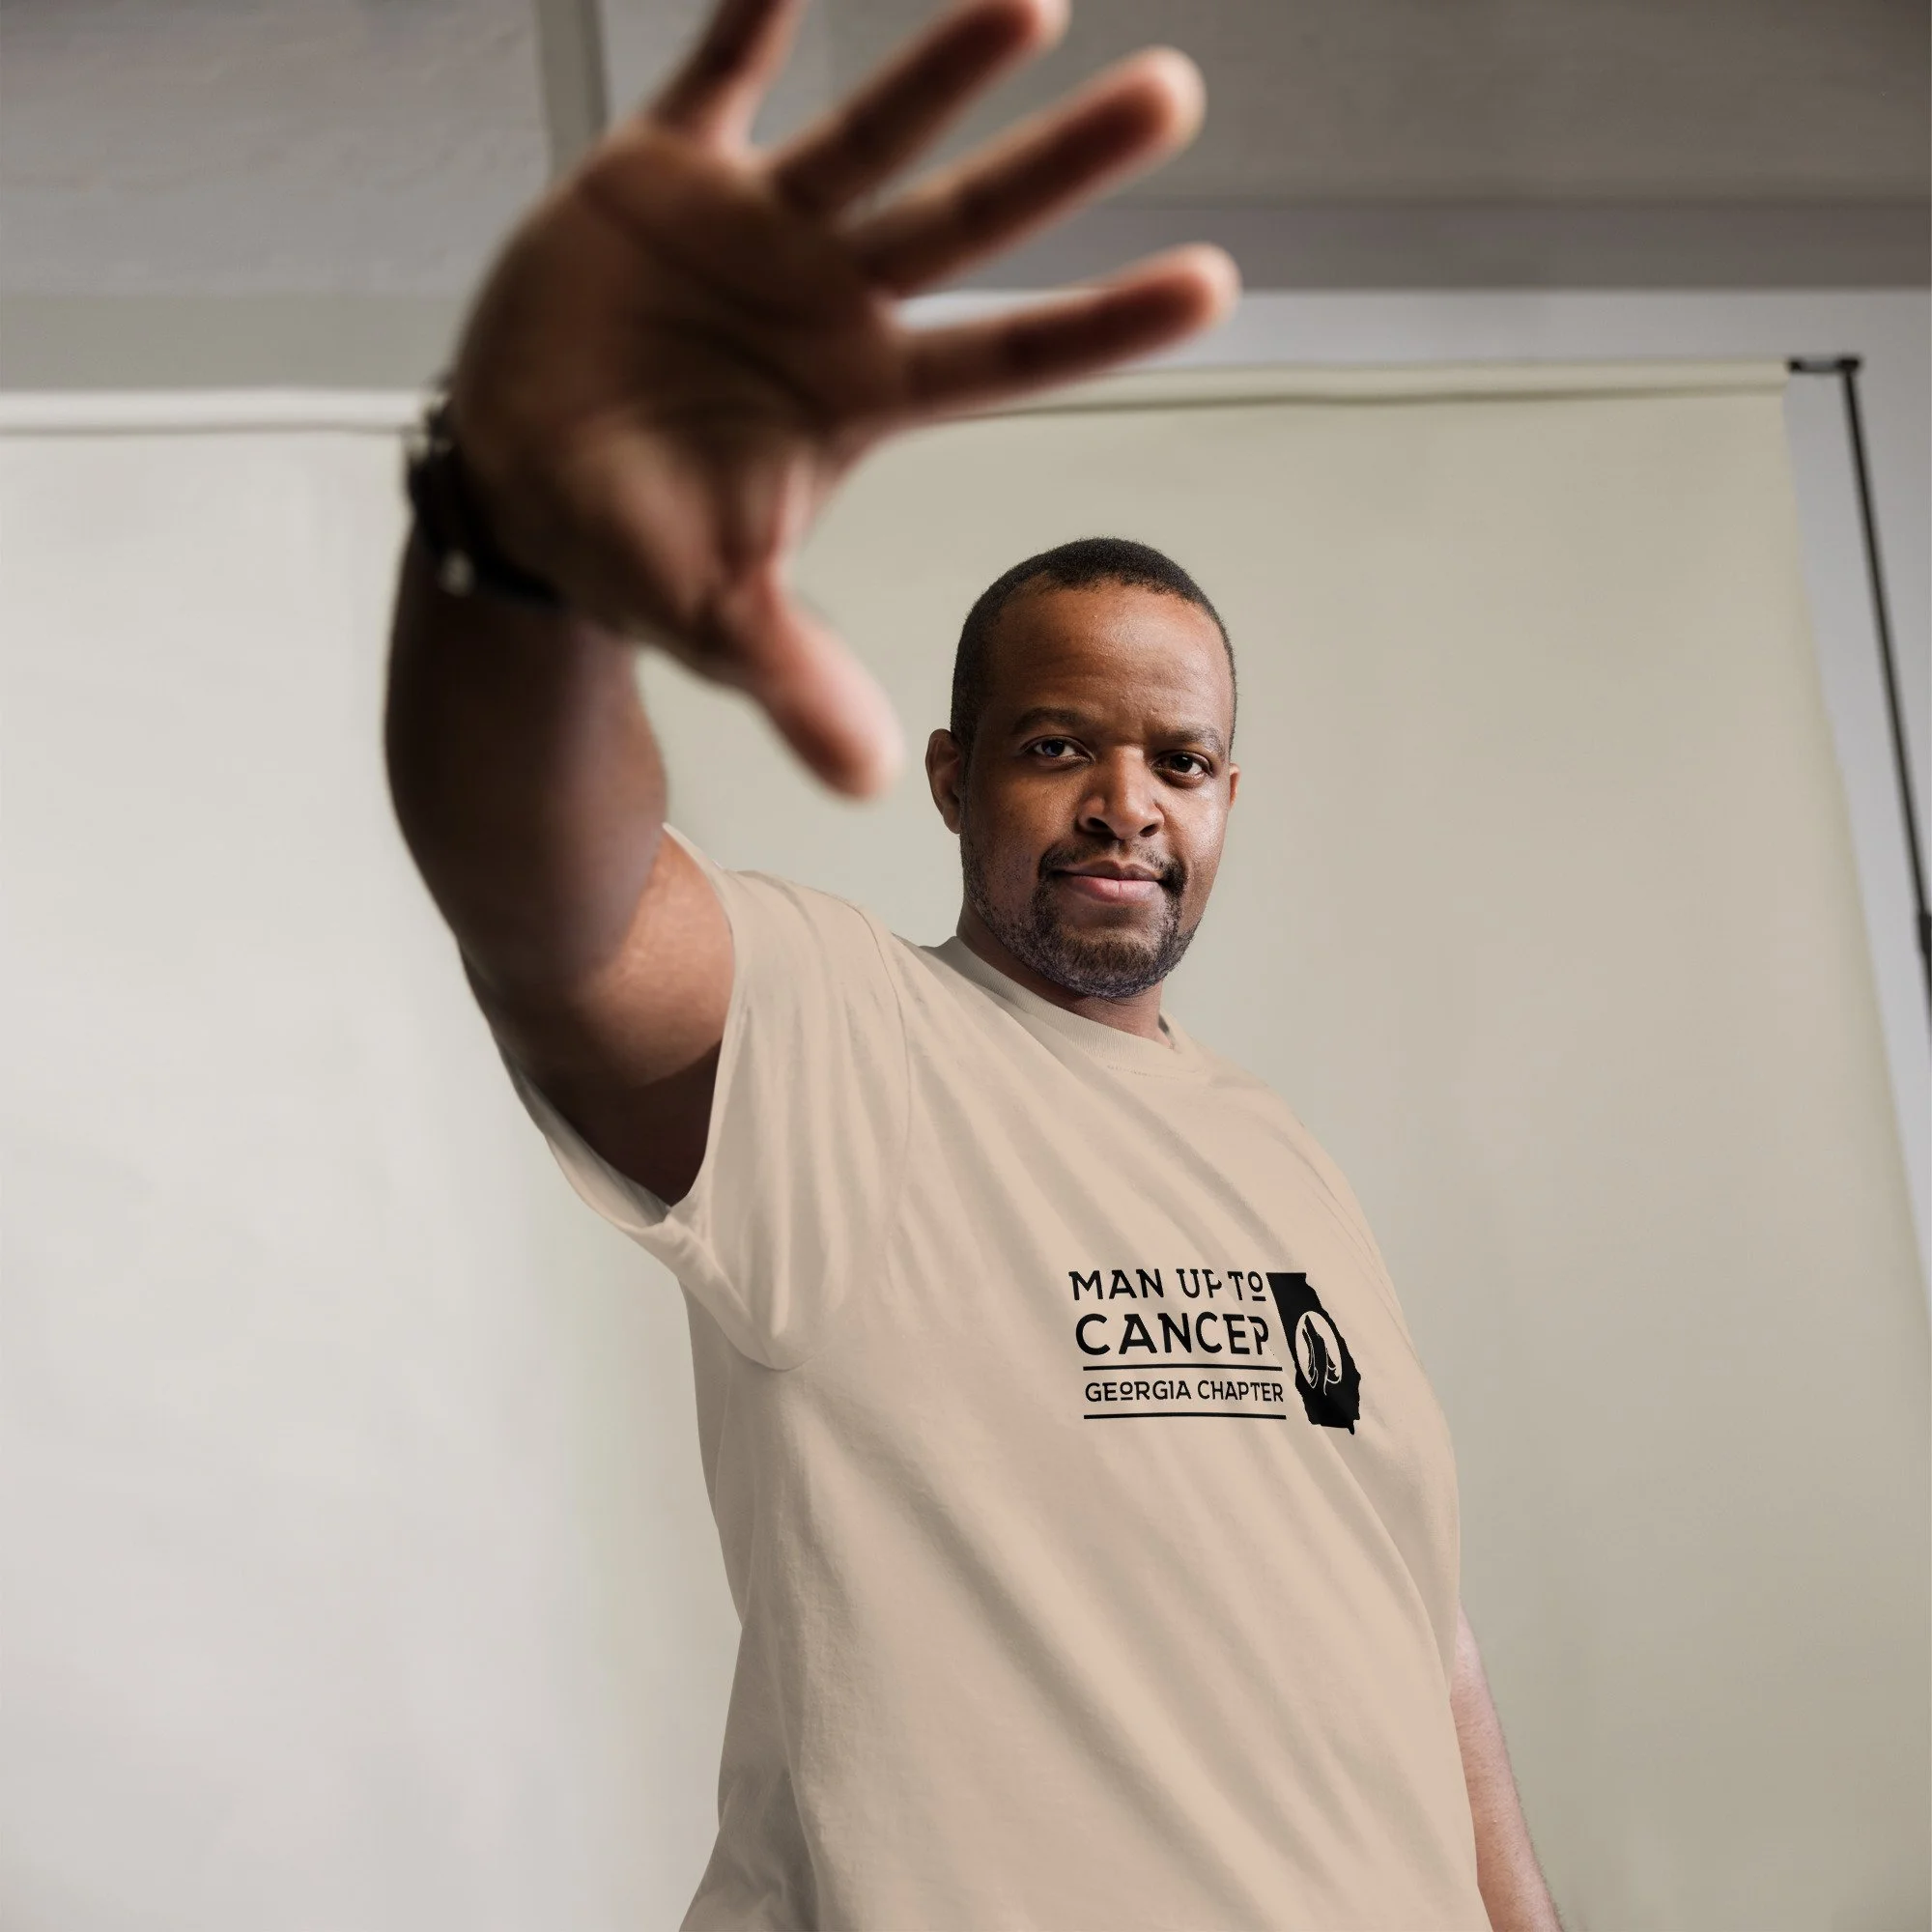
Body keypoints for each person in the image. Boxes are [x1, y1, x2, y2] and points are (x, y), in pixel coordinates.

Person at [384, 0, 1563, 1924]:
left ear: (1229, 797)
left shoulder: (1277, 1153)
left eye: (1180, 761)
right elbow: (553, 913)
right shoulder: (842, 1039)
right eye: (1057, 744)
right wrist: (519, 545)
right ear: (954, 777)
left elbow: (1418, 1629)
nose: (1126, 803)